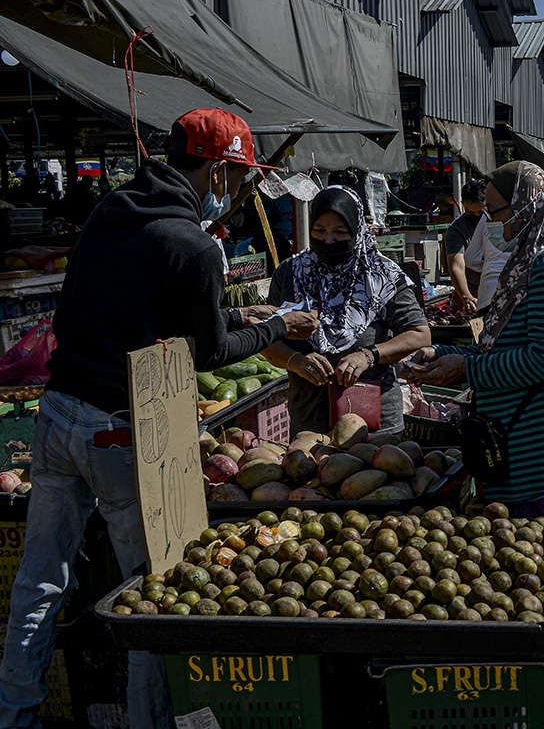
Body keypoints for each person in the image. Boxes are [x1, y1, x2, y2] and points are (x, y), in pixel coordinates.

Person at [0, 108, 319, 729]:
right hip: (121, 432)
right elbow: (207, 356)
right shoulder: (194, 245)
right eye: (239, 177)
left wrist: (241, 321)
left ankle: (15, 717)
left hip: (59, 413)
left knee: (39, 581)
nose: (239, 191)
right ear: (220, 172)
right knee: (150, 593)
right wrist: (280, 326)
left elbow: (146, 314)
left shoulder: (110, 212)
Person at [402, 160, 544, 727]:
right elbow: (522, 351)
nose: (491, 225)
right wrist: (460, 361)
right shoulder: (533, 266)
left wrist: (468, 371)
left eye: (496, 213)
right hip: (535, 450)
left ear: (527, 207)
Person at [261, 186, 430, 436]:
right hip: (310, 422)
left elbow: (419, 334)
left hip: (374, 425)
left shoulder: (382, 275)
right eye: (320, 231)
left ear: (356, 229)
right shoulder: (290, 274)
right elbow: (266, 337)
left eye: (340, 232)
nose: (328, 241)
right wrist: (294, 360)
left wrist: (369, 355)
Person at [463, 161, 523, 314]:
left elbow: (470, 258)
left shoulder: (490, 216)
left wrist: (488, 268)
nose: (489, 219)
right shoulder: (537, 220)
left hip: (489, 293)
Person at [444, 178, 487, 313]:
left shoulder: (499, 221)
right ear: (463, 204)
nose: (475, 216)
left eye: (480, 213)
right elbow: (456, 266)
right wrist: (466, 296)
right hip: (470, 292)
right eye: (470, 212)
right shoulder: (457, 229)